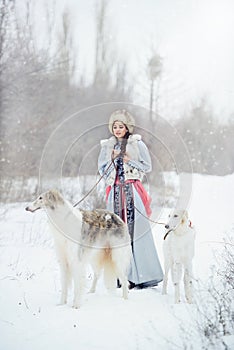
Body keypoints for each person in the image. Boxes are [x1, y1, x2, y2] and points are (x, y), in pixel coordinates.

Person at [98, 109, 163, 289]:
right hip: (115, 192)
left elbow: (147, 166)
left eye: (121, 126)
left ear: (127, 127)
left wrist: (128, 161)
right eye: (115, 126)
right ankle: (120, 275)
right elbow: (102, 169)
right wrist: (112, 162)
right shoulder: (107, 146)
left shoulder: (137, 144)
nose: (118, 129)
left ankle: (141, 275)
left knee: (136, 231)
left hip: (132, 191)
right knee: (117, 232)